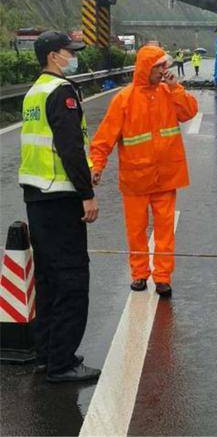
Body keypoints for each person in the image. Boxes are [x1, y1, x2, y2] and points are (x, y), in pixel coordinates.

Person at [18, 31, 100, 383]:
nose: (73, 57)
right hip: (61, 197)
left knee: (49, 279)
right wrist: (86, 192)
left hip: (37, 196)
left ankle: (48, 353)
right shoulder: (61, 91)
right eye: (70, 52)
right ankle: (62, 364)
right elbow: (69, 147)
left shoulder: (33, 92)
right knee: (71, 280)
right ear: (54, 56)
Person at [90, 45, 198, 296]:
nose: (164, 70)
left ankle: (162, 277)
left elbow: (189, 112)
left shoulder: (168, 92)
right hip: (135, 179)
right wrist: (97, 166)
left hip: (166, 178)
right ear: (146, 68)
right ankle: (139, 274)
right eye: (159, 66)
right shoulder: (124, 99)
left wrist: (175, 87)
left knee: (164, 231)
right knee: (136, 231)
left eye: (164, 65)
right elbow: (104, 138)